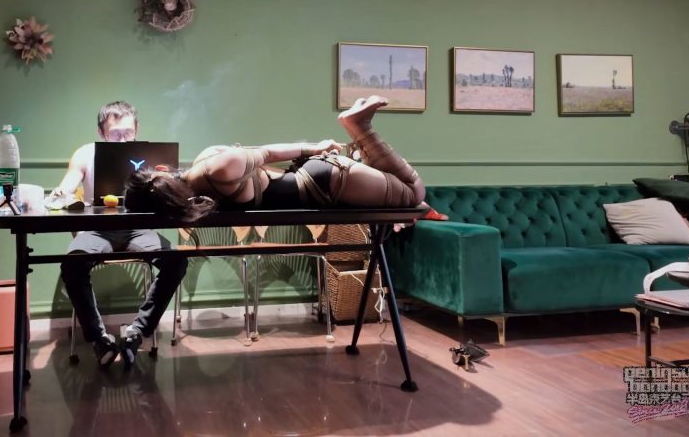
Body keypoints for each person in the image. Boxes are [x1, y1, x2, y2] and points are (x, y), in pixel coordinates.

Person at [124, 96, 426, 222]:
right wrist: (314, 148)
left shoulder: (217, 173)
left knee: (413, 192)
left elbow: (269, 153)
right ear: (162, 171)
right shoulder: (207, 161)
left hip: (323, 183)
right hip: (321, 180)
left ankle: (360, 126)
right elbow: (266, 154)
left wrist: (315, 148)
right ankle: (359, 128)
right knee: (409, 192)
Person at [50, 101, 188, 370]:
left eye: (128, 133)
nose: (123, 139)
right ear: (101, 132)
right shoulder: (85, 153)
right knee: (72, 264)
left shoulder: (149, 155)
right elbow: (69, 183)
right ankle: (99, 339)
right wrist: (61, 192)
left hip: (139, 229)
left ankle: (137, 332)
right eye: (115, 134)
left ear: (137, 129)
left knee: (176, 260)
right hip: (97, 229)